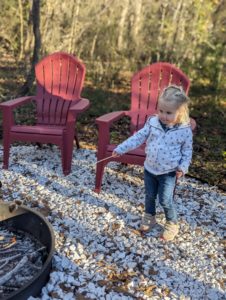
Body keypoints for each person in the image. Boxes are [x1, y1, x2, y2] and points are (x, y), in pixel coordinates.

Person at [113, 85, 193, 241]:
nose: (163, 115)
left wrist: (183, 167)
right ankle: (150, 216)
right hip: (150, 168)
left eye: (168, 112)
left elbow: (187, 152)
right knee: (149, 195)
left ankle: (172, 223)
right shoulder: (153, 123)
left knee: (165, 199)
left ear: (181, 112)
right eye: (161, 110)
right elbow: (138, 138)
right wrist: (121, 148)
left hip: (168, 172)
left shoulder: (184, 131)